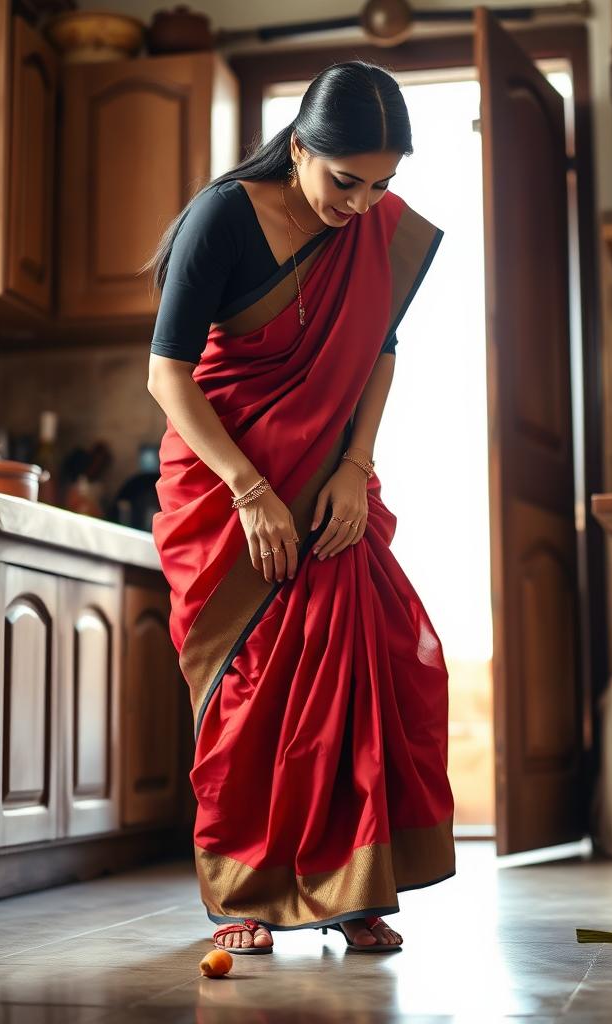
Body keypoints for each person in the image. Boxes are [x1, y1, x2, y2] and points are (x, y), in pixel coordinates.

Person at [146, 61, 455, 956]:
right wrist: (249, 491)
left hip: (327, 478)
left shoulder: (373, 233)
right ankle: (248, 887)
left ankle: (352, 887)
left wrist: (355, 467)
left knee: (367, 666)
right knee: (252, 691)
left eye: (383, 184)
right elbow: (166, 373)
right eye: (345, 180)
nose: (361, 204)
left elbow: (380, 350)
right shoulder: (225, 217)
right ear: (298, 148)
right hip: (221, 485)